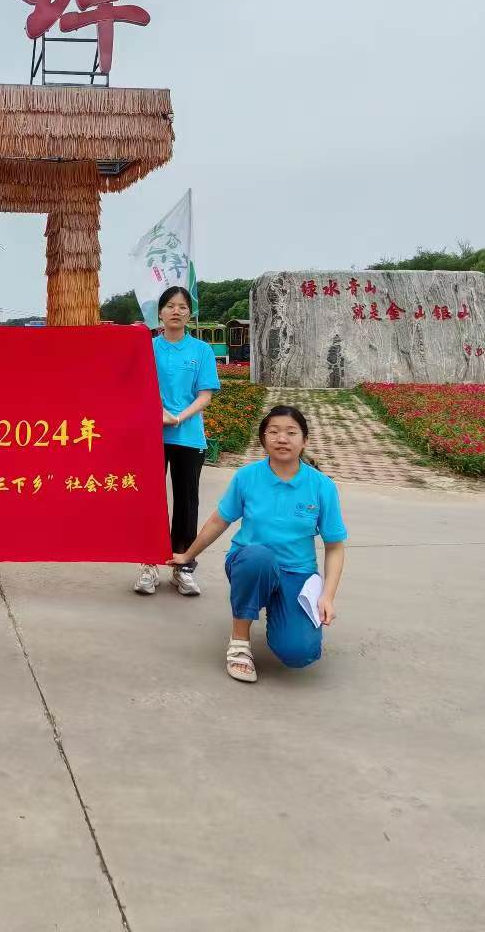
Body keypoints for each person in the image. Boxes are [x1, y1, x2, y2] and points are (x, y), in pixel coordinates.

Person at [172, 405, 347, 682]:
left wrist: (327, 596)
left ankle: (279, 608)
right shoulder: (247, 477)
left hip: (297, 573)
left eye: (291, 432)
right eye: (273, 432)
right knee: (258, 558)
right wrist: (187, 555)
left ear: (305, 440)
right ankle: (239, 641)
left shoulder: (322, 486)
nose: (282, 439)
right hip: (250, 563)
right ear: (263, 438)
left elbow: (335, 547)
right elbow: (219, 520)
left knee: (299, 653)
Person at [134, 285, 222, 597]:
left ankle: (182, 566)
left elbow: (206, 394)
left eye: (182, 306)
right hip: (150, 434)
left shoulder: (201, 351)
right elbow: (133, 387)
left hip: (187, 435)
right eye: (170, 305)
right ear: (159, 312)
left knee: (186, 502)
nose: (176, 311)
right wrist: (157, 413)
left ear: (190, 313)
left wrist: (179, 417)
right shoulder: (146, 347)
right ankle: (148, 564)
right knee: (150, 499)